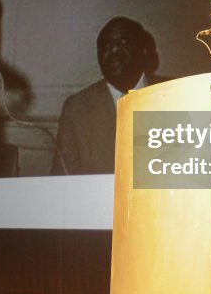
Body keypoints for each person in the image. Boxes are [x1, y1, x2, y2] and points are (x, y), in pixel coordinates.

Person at [51, 17, 161, 175]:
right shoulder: (76, 109)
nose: (114, 51)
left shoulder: (182, 94)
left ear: (143, 49)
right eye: (106, 46)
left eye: (123, 42)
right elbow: (63, 184)